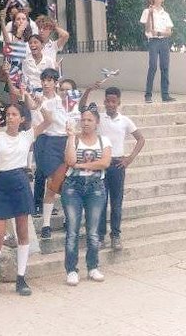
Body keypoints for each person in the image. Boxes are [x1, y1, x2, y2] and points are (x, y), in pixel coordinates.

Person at [0, 94, 52, 298]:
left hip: (20, 182)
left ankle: (21, 277)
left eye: (14, 114)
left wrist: (39, 105)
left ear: (22, 119)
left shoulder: (27, 136)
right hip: (1, 184)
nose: (9, 117)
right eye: (7, 114)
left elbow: (48, 122)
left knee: (22, 233)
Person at [79, 86, 146, 250]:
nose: (110, 104)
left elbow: (141, 139)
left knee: (116, 202)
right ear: (104, 101)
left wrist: (129, 159)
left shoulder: (125, 121)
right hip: (101, 163)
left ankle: (115, 235)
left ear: (118, 102)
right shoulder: (99, 118)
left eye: (113, 101)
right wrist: (88, 90)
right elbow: (82, 109)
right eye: (107, 101)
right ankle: (100, 237)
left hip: (117, 164)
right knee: (100, 201)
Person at [61, 104, 113, 285]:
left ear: (97, 122)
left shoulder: (103, 141)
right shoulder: (74, 139)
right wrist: (70, 137)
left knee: (93, 231)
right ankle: (71, 269)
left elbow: (105, 162)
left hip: (96, 187)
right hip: (72, 187)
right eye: (83, 119)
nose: (85, 123)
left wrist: (82, 166)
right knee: (72, 231)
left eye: (89, 120)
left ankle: (93, 267)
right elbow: (69, 161)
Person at [38, 76, 81, 238]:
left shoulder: (76, 108)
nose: (64, 92)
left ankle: (67, 220)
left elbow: (78, 130)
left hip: (69, 144)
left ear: (74, 91)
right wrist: (33, 99)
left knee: (67, 184)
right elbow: (37, 107)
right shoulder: (51, 103)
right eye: (61, 89)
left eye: (68, 90)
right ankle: (46, 224)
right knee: (53, 184)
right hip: (52, 145)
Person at [33, 68, 70, 224]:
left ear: (56, 83)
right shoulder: (39, 99)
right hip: (46, 139)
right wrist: (39, 104)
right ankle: (41, 211)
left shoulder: (63, 100)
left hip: (66, 140)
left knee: (64, 179)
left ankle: (68, 213)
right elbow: (46, 119)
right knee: (49, 177)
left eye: (49, 80)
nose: (46, 83)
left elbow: (70, 118)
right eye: (44, 80)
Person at [140, 0, 175, 103]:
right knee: (153, 66)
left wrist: (160, 33)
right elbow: (147, 29)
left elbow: (169, 32)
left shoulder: (166, 14)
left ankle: (165, 95)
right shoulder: (147, 11)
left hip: (164, 42)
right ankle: (148, 95)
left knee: (165, 67)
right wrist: (150, 14)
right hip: (153, 42)